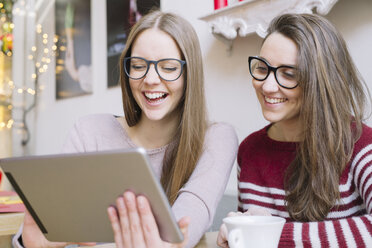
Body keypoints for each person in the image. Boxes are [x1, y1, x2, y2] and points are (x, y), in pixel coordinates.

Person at [13, 10, 238, 248]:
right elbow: (47, 223)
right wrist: (29, 246)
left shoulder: (216, 138)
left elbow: (192, 213)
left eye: (169, 68)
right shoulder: (89, 132)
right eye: (139, 65)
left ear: (190, 73)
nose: (150, 79)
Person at [217, 13, 372, 247]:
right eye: (262, 68)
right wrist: (236, 234)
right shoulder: (248, 151)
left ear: (322, 80)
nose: (268, 86)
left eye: (289, 74)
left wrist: (270, 234)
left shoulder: (362, 146)